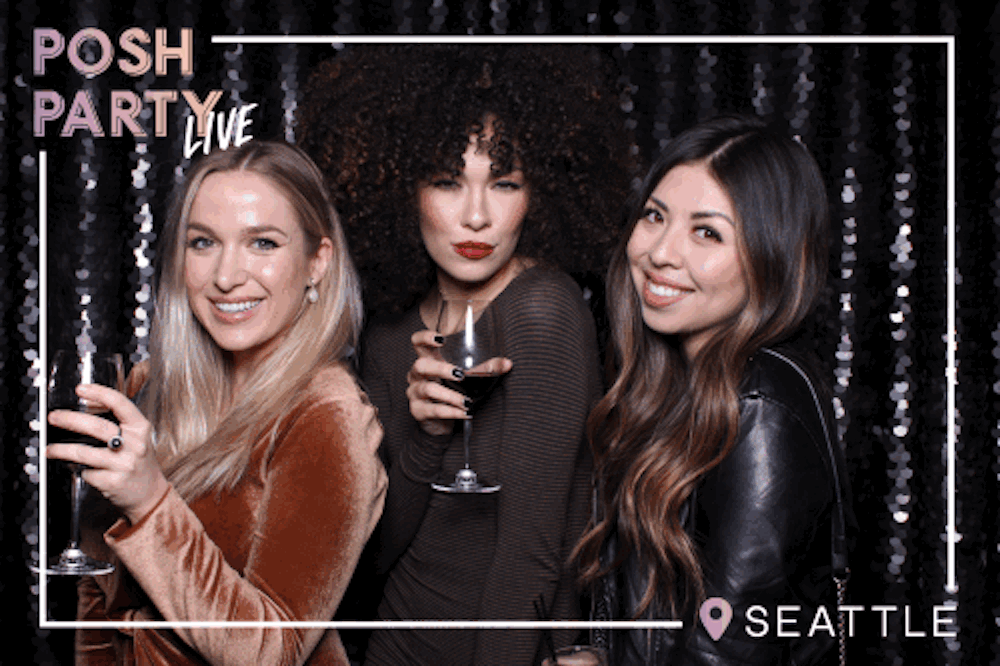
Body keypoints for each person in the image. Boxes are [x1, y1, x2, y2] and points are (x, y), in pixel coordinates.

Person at [297, 44, 637, 666]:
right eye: (447, 182)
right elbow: (378, 555)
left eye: (504, 183)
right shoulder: (389, 335)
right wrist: (425, 437)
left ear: (539, 194)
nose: (476, 217)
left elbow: (532, 558)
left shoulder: (543, 311)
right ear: (402, 189)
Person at [46, 141, 387, 666]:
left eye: (262, 243)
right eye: (203, 242)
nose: (226, 276)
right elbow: (100, 601)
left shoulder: (325, 414)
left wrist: (149, 502)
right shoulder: (150, 386)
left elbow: (274, 652)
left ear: (317, 262)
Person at [572, 115, 853, 665]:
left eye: (707, 233)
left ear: (771, 259)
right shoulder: (669, 387)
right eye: (655, 216)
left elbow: (726, 652)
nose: (661, 253)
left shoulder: (761, 404)